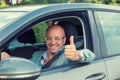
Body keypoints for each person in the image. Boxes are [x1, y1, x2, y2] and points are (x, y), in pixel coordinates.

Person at [31, 24, 95, 68]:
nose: (53, 42)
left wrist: (78, 56)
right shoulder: (36, 55)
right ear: (45, 40)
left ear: (64, 40)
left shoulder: (68, 55)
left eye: (57, 38)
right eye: (49, 38)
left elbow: (91, 55)